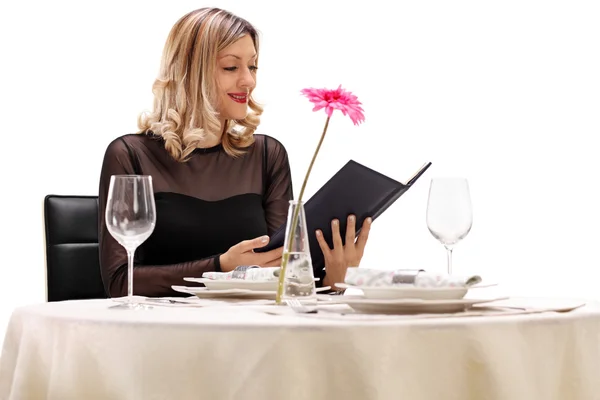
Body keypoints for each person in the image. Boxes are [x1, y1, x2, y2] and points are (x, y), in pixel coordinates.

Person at [98, 7, 372, 298]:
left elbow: (282, 279)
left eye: (252, 67)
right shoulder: (130, 154)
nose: (249, 81)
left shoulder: (267, 156)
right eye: (231, 67)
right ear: (190, 73)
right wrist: (221, 266)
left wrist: (333, 279)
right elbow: (119, 282)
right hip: (164, 335)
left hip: (251, 332)